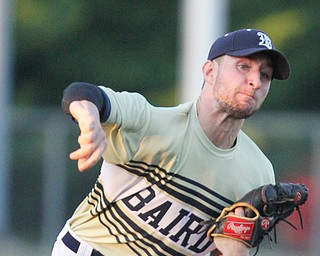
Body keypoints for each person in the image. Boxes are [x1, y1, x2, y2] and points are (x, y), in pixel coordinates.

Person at [51, 28, 290, 256]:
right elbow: (82, 93)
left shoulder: (258, 173)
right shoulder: (151, 123)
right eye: (243, 66)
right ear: (209, 71)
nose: (255, 81)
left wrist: (235, 251)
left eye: (265, 74)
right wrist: (89, 118)